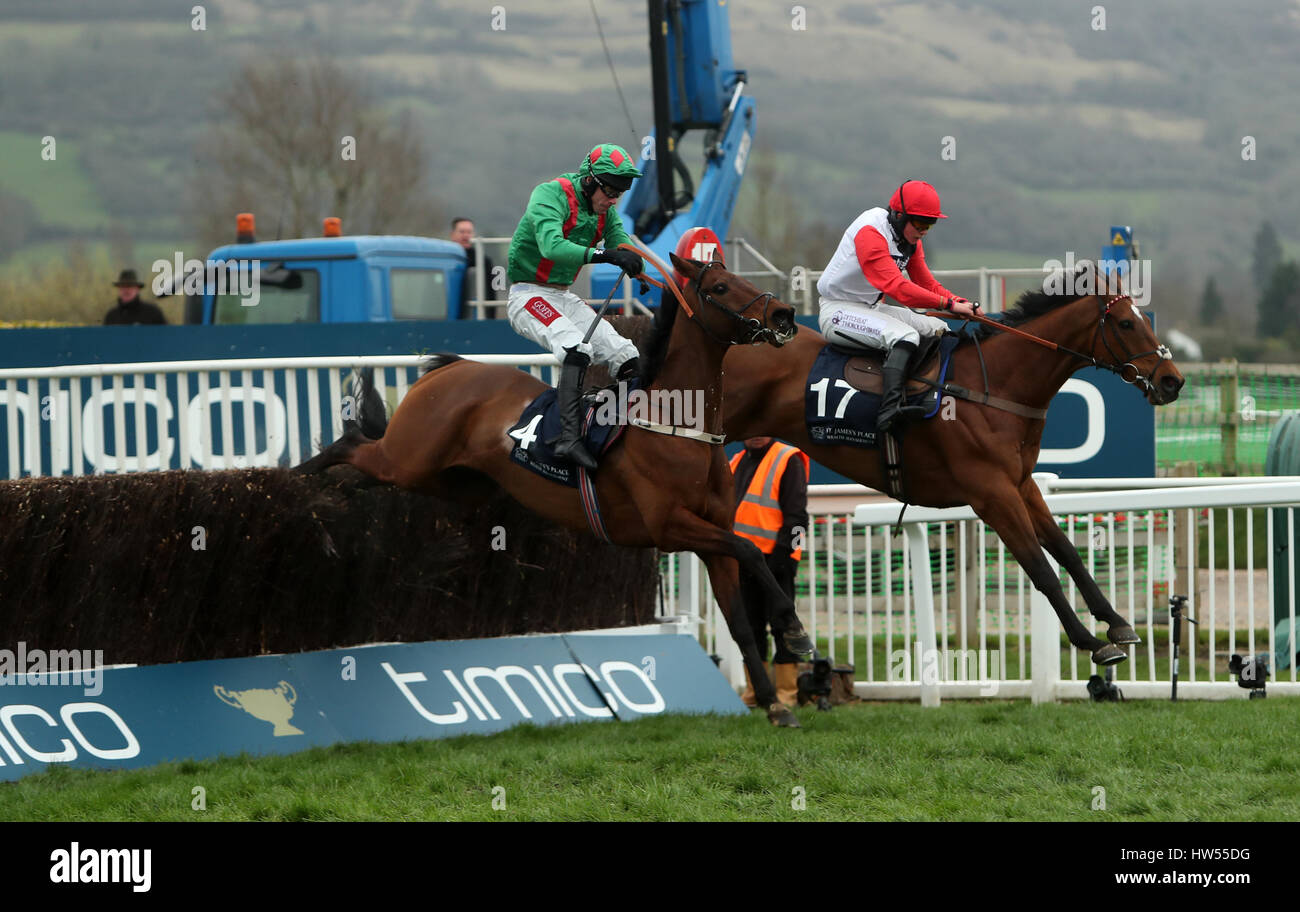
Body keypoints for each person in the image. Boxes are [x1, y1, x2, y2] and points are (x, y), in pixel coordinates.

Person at [506, 143, 645, 470]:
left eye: (620, 193)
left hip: (563, 297)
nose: (612, 201)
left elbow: (620, 243)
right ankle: (566, 439)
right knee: (575, 349)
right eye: (609, 191)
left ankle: (620, 431)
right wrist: (607, 256)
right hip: (529, 295)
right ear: (588, 180)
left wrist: (637, 263)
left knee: (627, 357)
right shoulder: (549, 195)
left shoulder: (606, 212)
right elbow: (552, 246)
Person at [816, 180, 978, 432]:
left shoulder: (908, 237)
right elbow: (898, 288)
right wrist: (949, 304)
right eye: (920, 223)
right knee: (906, 336)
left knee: (940, 328)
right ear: (899, 215)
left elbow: (927, 284)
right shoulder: (870, 231)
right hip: (837, 310)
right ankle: (889, 412)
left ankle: (930, 395)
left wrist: (959, 302)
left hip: (870, 308)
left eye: (930, 224)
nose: (924, 230)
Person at [729, 436, 810, 709]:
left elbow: (798, 517)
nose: (756, 433)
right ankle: (756, 693)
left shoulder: (788, 458)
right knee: (748, 627)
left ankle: (787, 694)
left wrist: (788, 557)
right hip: (742, 559)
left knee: (783, 626)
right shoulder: (736, 461)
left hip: (777, 560)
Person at [450, 217, 498, 319]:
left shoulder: (483, 261)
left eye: (469, 232)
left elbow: (491, 294)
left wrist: (490, 319)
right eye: (462, 232)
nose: (466, 236)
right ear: (452, 235)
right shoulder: (446, 258)